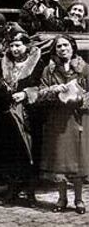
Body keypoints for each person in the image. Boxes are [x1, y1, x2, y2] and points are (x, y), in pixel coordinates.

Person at [0, 29, 45, 207]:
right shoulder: (4, 63)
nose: (14, 49)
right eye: (12, 45)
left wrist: (26, 93)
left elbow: (42, 86)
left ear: (26, 46)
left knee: (30, 151)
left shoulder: (37, 62)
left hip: (29, 114)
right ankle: (11, 190)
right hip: (8, 115)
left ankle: (30, 193)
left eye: (18, 45)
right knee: (11, 152)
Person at [38, 34, 89, 215]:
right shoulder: (49, 70)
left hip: (78, 118)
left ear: (73, 47)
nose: (62, 49)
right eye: (58, 46)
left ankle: (79, 199)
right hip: (57, 119)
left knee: (78, 161)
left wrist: (80, 98)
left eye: (65, 45)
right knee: (59, 160)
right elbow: (40, 94)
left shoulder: (84, 69)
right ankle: (62, 198)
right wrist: (53, 90)